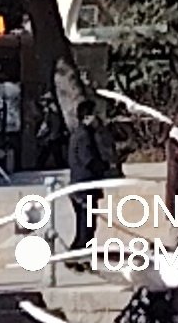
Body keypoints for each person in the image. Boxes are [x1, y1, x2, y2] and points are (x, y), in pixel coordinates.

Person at [65, 101, 114, 266]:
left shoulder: (79, 134)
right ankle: (78, 256)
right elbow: (88, 160)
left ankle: (79, 256)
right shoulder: (84, 136)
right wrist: (106, 167)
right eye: (93, 114)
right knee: (87, 225)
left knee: (84, 225)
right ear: (86, 117)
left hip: (80, 186)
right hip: (85, 186)